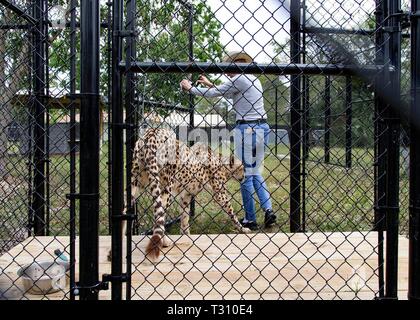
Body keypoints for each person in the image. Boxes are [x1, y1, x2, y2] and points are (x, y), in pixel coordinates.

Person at [179, 51, 276, 230]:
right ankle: (268, 209)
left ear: (236, 65)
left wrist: (190, 88)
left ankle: (250, 219)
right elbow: (229, 94)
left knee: (244, 173)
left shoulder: (238, 78)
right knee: (255, 171)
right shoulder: (254, 80)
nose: (226, 71)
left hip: (247, 130)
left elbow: (216, 93)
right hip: (263, 128)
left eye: (228, 67)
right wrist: (210, 84)